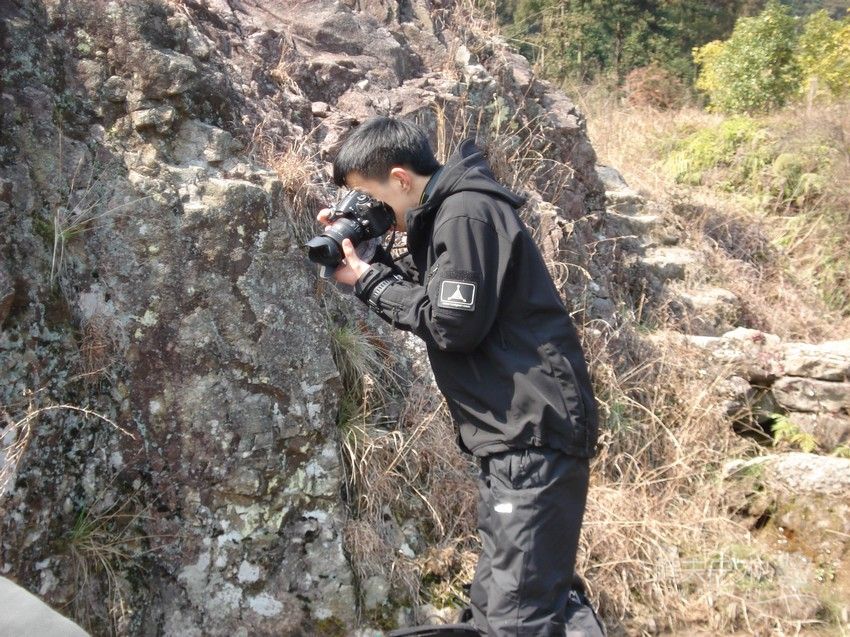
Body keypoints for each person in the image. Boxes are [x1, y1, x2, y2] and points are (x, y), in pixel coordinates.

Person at [318, 116, 603, 636]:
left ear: (400, 179)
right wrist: (369, 261)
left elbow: (452, 325)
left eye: (371, 198)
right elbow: (442, 302)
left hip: (530, 434)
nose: (370, 211)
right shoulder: (449, 217)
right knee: (495, 608)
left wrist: (370, 281)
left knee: (518, 617)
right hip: (511, 439)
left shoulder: (466, 213)